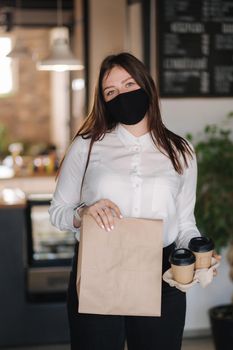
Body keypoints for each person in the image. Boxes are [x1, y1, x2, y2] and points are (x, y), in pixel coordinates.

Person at [49, 52, 206, 350]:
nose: (121, 95)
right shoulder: (87, 145)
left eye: (129, 84)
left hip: (163, 273)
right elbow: (57, 211)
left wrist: (201, 254)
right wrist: (83, 213)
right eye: (111, 91)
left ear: (146, 86)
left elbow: (186, 223)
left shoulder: (180, 150)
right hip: (98, 265)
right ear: (104, 100)